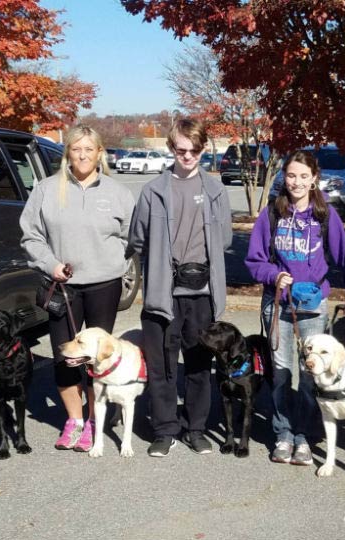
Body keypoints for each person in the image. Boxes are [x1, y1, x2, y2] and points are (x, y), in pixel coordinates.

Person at [245, 150, 345, 466]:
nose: (296, 182)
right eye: (291, 175)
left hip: (313, 308)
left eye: (302, 176)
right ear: (284, 177)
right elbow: (254, 260)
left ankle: (304, 437)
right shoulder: (272, 213)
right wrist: (274, 275)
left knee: (311, 375)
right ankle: (283, 434)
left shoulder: (325, 216)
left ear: (314, 178)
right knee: (281, 373)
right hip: (278, 305)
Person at [20, 125, 134, 452]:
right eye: (75, 149)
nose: (82, 155)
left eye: (89, 149)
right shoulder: (46, 190)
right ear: (67, 152)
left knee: (96, 357)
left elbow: (131, 238)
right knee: (66, 355)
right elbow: (31, 236)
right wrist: (50, 264)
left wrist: (115, 264)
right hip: (62, 286)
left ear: (100, 153)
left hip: (104, 286)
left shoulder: (118, 193)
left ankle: (96, 418)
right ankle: (75, 420)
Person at [128, 118, 232, 457]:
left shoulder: (215, 190)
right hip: (162, 295)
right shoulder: (153, 191)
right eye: (181, 150)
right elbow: (138, 238)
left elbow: (226, 238)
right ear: (172, 148)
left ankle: (196, 428)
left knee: (200, 365)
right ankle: (164, 430)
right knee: (162, 367)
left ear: (203, 150)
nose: (187, 156)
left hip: (201, 294)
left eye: (195, 151)